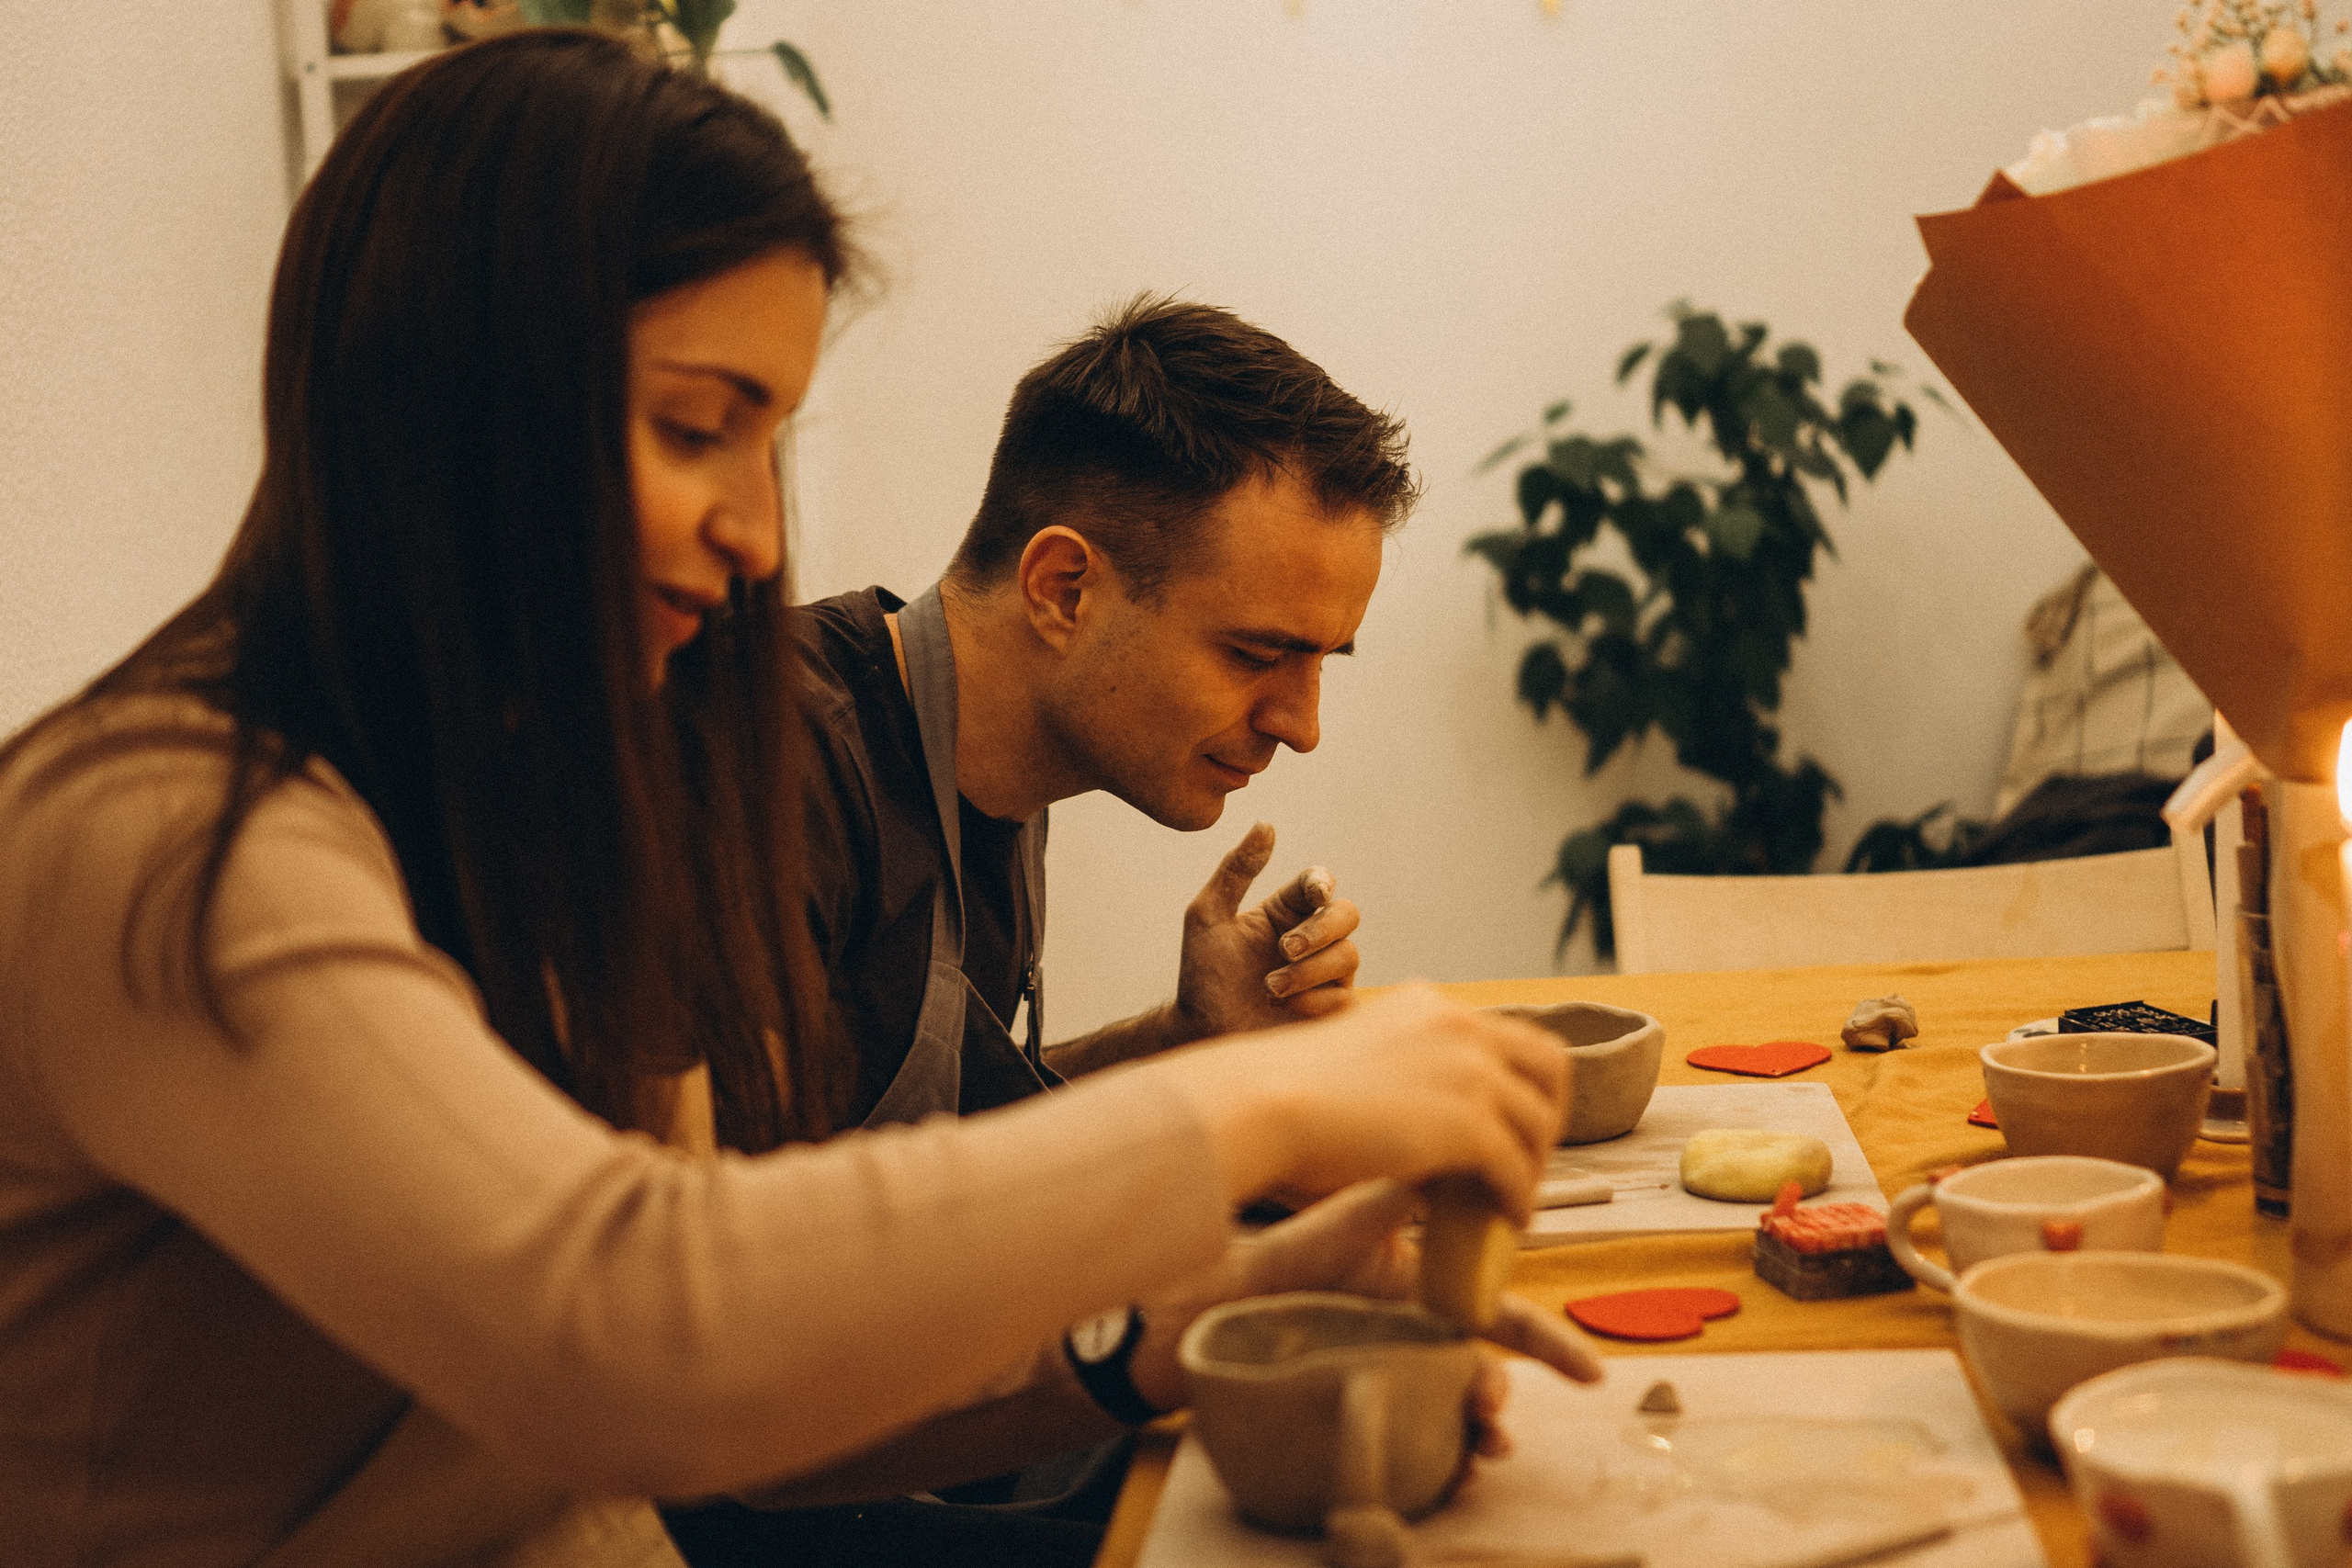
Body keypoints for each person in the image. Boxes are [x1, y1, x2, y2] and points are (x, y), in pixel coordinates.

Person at [0, 30, 1595, 1568]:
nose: (760, 533)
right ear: (449, 401)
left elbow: (740, 1400)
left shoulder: (537, 799)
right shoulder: (171, 839)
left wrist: (1174, 1332)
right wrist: (1258, 1103)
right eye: (697, 429)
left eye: (771, 441)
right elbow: (640, 1319)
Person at [799, 299, 1413, 1131]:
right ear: (1064, 590)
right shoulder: (773, 766)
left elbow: (949, 1137)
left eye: (1323, 659)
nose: (1301, 727)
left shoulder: (1003, 761)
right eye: (1258, 654)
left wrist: (1186, 1038)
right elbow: (732, 1237)